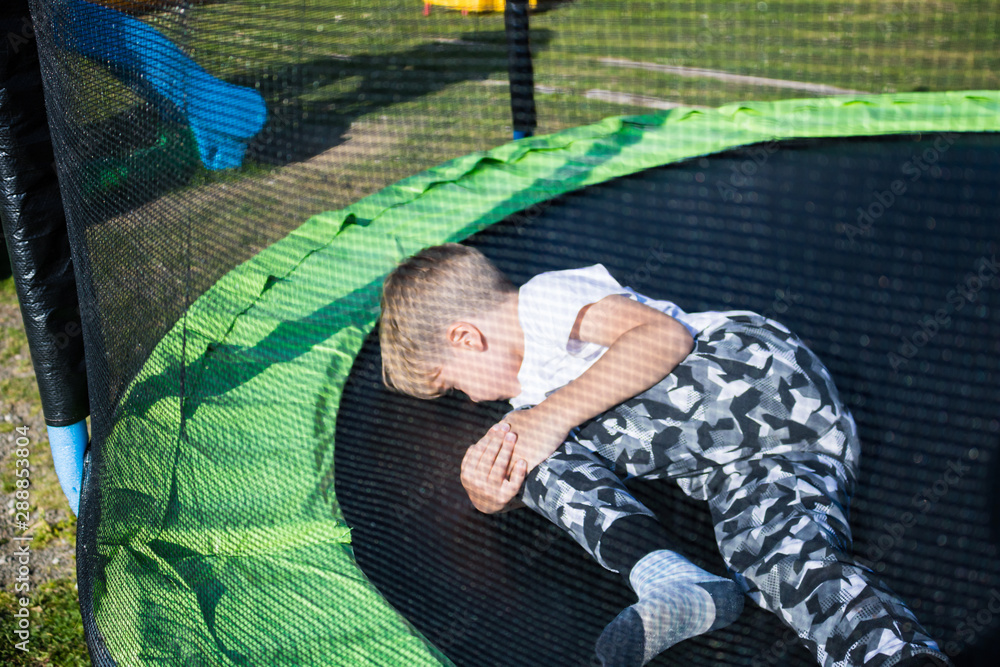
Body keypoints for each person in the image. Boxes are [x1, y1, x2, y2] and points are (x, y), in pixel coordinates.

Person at [379, 242, 951, 667]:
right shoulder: (532, 404)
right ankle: (890, 654)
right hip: (767, 462)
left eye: (453, 385)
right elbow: (544, 455)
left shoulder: (543, 302)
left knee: (529, 434)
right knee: (776, 562)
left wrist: (542, 421)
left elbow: (662, 339)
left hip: (752, 376)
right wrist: (492, 493)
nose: (470, 399)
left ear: (466, 338)